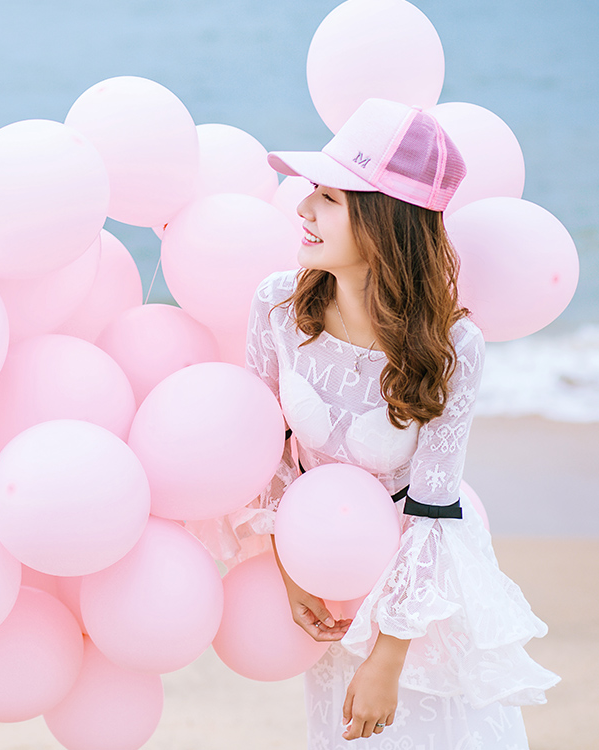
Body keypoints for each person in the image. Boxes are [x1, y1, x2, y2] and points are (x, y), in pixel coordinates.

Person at [238, 98, 558, 747]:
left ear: (384, 221)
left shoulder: (453, 344)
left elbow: (434, 508)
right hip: (329, 580)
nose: (303, 209)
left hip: (418, 596)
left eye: (329, 197)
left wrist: (388, 658)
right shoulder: (277, 305)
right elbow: (267, 453)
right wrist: (293, 572)